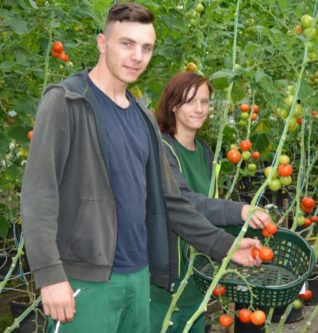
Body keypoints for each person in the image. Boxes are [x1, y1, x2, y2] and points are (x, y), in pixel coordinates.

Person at [20, 3, 261, 333]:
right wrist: (49, 275)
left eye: (146, 47)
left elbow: (171, 201)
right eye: (127, 44)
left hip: (140, 277)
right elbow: (39, 194)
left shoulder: (143, 117)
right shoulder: (67, 102)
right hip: (86, 280)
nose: (137, 56)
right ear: (102, 43)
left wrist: (226, 246)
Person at [150, 72, 271, 332]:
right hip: (166, 283)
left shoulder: (205, 151)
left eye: (204, 102)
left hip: (199, 278)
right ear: (173, 105)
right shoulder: (161, 149)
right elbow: (185, 201)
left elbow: (209, 206)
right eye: (190, 101)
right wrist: (240, 210)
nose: (199, 109)